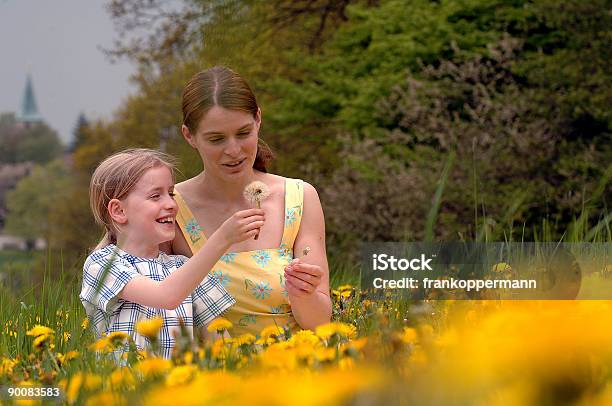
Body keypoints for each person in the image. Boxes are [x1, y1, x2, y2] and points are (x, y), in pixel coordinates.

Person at [169, 66, 332, 336]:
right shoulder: (171, 208)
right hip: (210, 372)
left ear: (258, 120)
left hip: (294, 366)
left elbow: (319, 323)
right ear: (189, 136)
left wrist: (303, 293)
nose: (233, 150)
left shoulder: (299, 198)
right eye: (216, 139)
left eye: (243, 133)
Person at [80, 148, 265, 358]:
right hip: (126, 389)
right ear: (119, 211)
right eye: (155, 196)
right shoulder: (103, 264)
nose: (170, 204)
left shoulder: (182, 267)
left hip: (178, 389)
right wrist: (222, 238)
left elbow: (221, 344)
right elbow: (166, 296)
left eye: (171, 194)